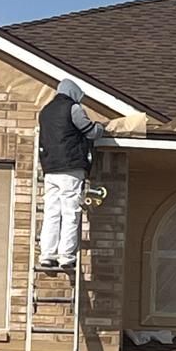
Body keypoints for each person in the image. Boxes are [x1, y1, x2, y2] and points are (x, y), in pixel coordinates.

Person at [37, 78, 106, 272]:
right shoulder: (73, 109)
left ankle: (46, 255)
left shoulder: (45, 112)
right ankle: (66, 256)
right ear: (74, 94)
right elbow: (90, 132)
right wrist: (102, 127)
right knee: (70, 212)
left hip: (50, 169)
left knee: (51, 212)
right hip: (71, 169)